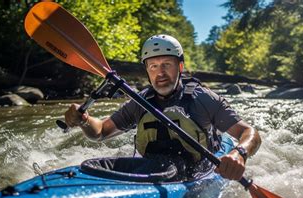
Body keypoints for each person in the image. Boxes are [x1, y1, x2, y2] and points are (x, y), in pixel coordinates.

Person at [65, 34, 261, 181]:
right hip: (156, 169)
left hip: (199, 169)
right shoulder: (140, 102)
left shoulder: (203, 98)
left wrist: (239, 153)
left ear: (180, 67)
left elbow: (250, 133)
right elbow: (100, 132)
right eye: (153, 66)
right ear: (147, 71)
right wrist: (84, 120)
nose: (160, 73)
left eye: (167, 64)